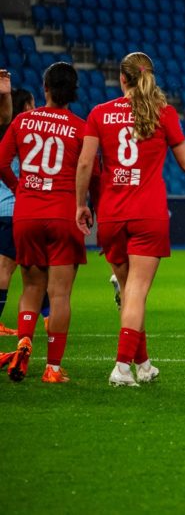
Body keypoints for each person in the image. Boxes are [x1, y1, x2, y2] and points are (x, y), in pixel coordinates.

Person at [74, 52, 185, 386]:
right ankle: (122, 367)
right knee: (137, 292)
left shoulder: (99, 113)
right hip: (148, 214)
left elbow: (84, 163)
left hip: (111, 215)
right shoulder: (163, 113)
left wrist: (81, 204)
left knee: (130, 293)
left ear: (122, 78)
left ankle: (143, 364)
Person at [0, 63, 86, 383]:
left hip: (27, 213)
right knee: (59, 294)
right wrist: (86, 204)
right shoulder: (80, 128)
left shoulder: (22, 121)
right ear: (73, 92)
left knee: (32, 287)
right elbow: (90, 172)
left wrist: (18, 188)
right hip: (63, 213)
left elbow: (1, 163)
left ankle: (23, 343)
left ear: (45, 87)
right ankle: (52, 369)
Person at [0, 83, 37, 337]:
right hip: (11, 208)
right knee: (7, 268)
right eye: (32, 104)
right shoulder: (22, 136)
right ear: (24, 107)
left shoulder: (6, 133)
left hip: (4, 208)